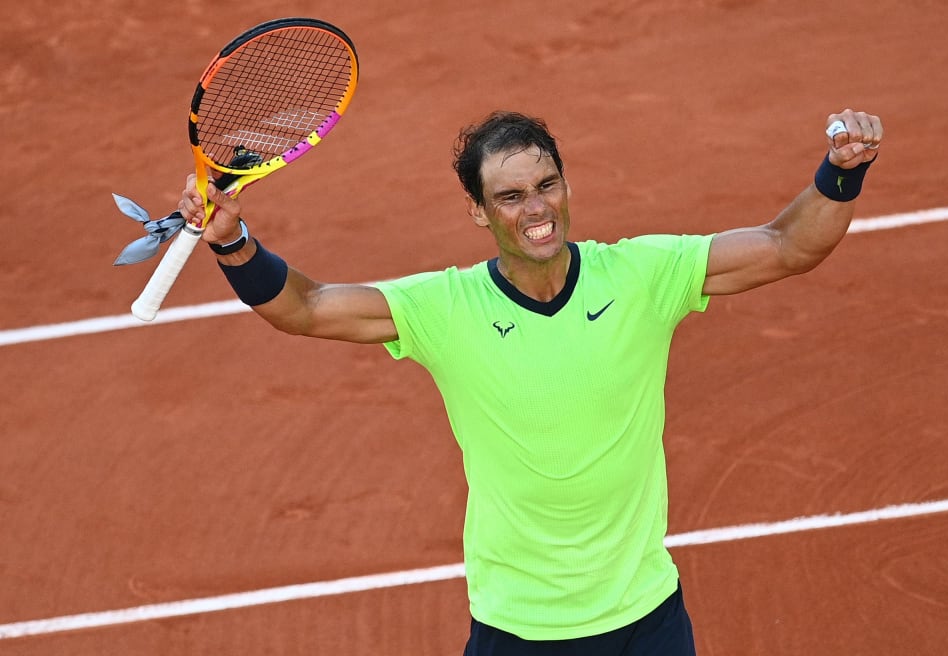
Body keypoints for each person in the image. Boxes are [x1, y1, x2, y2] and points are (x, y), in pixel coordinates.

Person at [178, 108, 883, 655]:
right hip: (518, 628)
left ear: (567, 186)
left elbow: (789, 246)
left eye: (546, 185)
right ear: (479, 213)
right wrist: (235, 245)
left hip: (645, 616)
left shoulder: (641, 276)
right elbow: (305, 307)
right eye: (510, 196)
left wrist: (840, 172)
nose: (536, 209)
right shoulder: (443, 310)